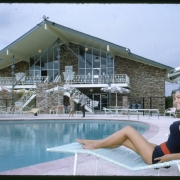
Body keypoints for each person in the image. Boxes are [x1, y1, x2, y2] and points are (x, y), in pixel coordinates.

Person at [76, 88, 180, 165]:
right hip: (158, 149)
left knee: (128, 130)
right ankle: (94, 142)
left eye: (178, 97)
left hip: (157, 156)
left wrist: (170, 158)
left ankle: (95, 145)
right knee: (123, 139)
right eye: (175, 97)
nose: (175, 101)